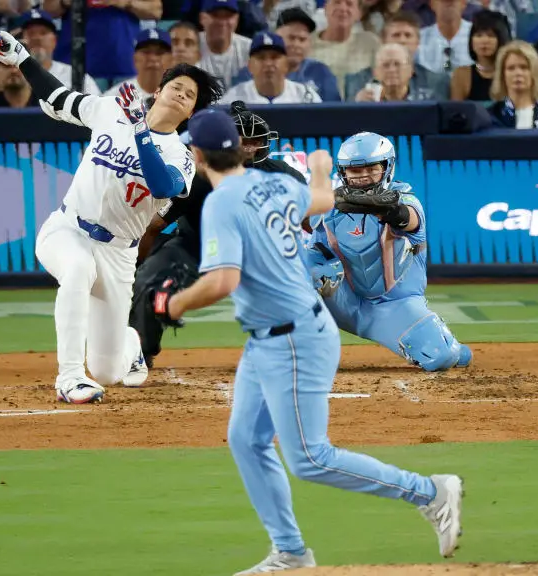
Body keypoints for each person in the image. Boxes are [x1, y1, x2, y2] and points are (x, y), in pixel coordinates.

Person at [151, 109, 464, 574]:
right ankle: (291, 553)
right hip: (268, 337)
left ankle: (430, 492)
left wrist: (170, 304)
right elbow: (320, 199)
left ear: (196, 155)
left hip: (294, 337)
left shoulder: (222, 202)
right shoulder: (272, 184)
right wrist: (319, 168)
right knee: (246, 440)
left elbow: (222, 281)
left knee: (311, 458)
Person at [0, 29, 225, 404]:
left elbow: (162, 186)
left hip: (118, 255)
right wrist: (20, 57)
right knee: (77, 268)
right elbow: (56, 96)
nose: (181, 93)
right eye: (176, 86)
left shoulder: (181, 156)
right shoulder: (112, 110)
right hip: (68, 229)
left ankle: (129, 345)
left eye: (189, 94)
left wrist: (141, 130)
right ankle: (69, 377)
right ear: (158, 90)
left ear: (191, 112)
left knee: (109, 371)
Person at [129, 101, 306, 369]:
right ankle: (140, 352)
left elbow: (311, 223)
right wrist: (138, 265)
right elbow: (154, 226)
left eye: (255, 141)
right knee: (150, 279)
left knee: (310, 278)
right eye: (243, 141)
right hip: (196, 248)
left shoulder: (284, 176)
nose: (249, 148)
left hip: (258, 254)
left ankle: (296, 348)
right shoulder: (199, 178)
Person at [306, 132, 473, 372]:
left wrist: (382, 207)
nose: (363, 176)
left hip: (395, 306)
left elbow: (405, 217)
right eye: (355, 170)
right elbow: (314, 250)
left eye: (372, 168)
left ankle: (451, 346)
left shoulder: (406, 201)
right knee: (296, 266)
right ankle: (293, 351)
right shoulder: (329, 208)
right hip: (345, 302)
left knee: (441, 357)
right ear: (343, 172)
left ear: (387, 168)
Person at [487, 41, 538, 129]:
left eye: (524, 67)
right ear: (502, 75)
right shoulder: (491, 116)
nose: (518, 73)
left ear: (534, 72)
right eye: (511, 68)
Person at [449, 9, 509, 101]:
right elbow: (455, 108)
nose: (484, 41)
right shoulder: (462, 74)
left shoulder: (510, 72)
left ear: (501, 39)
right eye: (479, 35)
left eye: (491, 35)